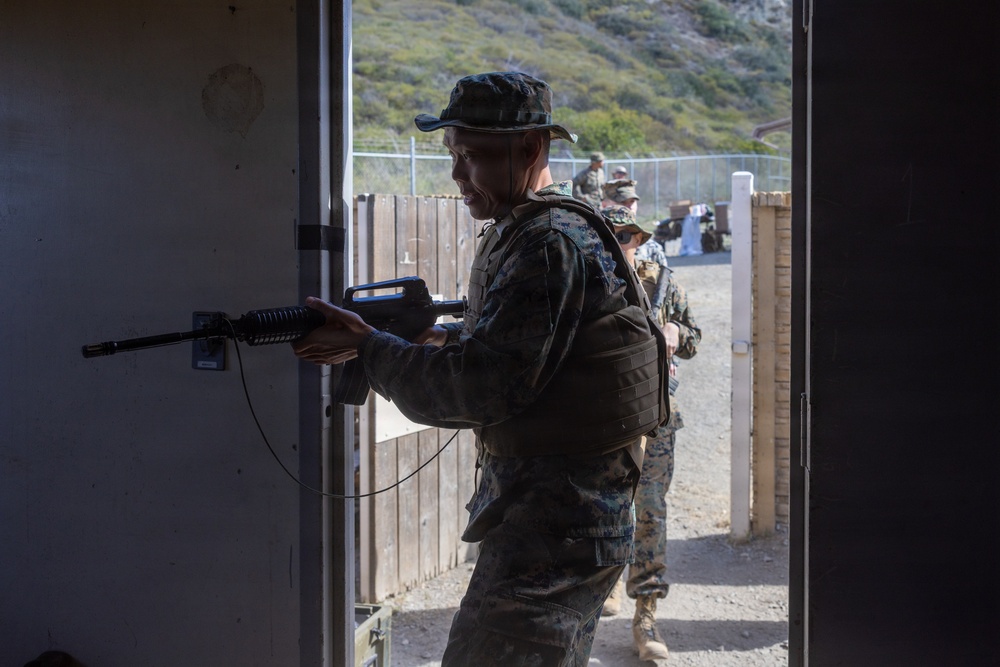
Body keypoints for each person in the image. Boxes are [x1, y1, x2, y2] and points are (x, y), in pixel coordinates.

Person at [292, 72, 668, 667]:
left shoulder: (547, 243)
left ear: (532, 148)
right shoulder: (532, 229)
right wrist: (427, 337)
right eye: (453, 155)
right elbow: (518, 356)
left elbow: (476, 389)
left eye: (473, 157)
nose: (457, 176)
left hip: (557, 525)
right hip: (561, 516)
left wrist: (370, 348)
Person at [601, 205, 701, 661]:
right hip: (604, 420)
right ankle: (604, 589)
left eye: (625, 235)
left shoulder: (662, 281)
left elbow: (695, 335)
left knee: (651, 512)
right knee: (602, 508)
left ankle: (646, 614)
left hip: (657, 418)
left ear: (638, 240)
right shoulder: (587, 281)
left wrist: (675, 332)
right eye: (610, 232)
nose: (618, 240)